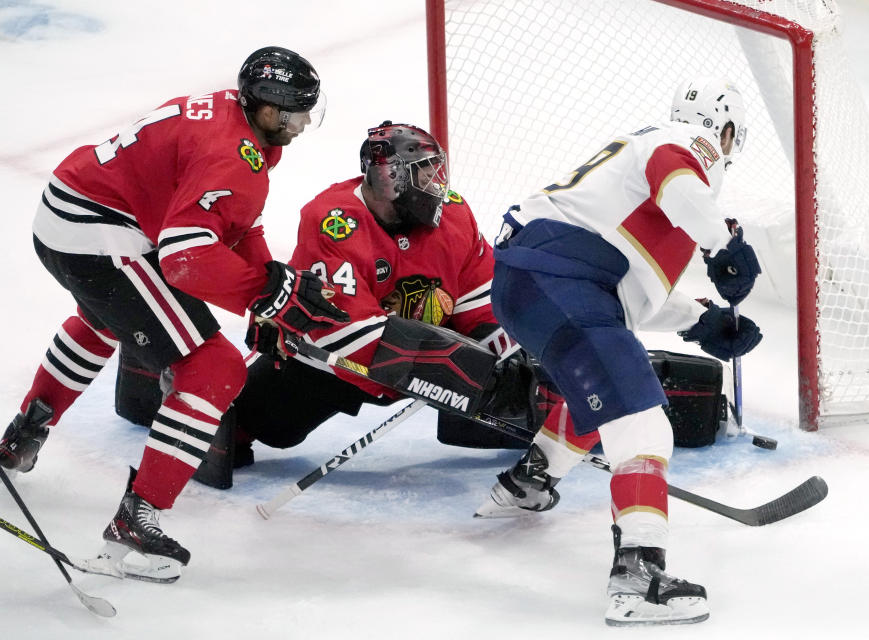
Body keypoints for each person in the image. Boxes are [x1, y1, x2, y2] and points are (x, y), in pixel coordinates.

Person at [0, 46, 349, 582]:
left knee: (109, 317)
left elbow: (233, 224)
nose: (304, 122)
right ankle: (138, 520)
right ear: (267, 108)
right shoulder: (233, 155)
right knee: (215, 367)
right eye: (297, 111)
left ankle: (23, 435)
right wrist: (265, 294)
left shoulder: (235, 121)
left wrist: (266, 286)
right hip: (98, 234)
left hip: (67, 211)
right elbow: (186, 260)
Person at [476, 77, 764, 625]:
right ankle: (638, 577)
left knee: (602, 399)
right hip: (560, 278)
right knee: (643, 423)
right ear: (725, 131)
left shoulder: (648, 192)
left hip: (540, 281)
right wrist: (722, 245)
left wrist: (700, 319)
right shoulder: (685, 144)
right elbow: (675, 169)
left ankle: (526, 483)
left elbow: (635, 289)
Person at [192, 120, 533, 488]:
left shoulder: (453, 213)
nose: (436, 186)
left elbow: (480, 300)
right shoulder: (334, 221)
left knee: (522, 385)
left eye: (436, 172)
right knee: (273, 428)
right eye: (423, 175)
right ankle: (170, 387)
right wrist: (465, 373)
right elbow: (348, 333)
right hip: (332, 364)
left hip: (423, 351)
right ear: (390, 178)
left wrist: (508, 364)